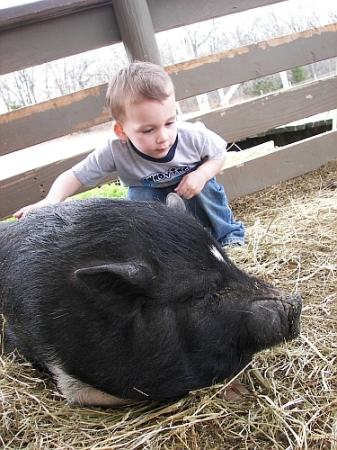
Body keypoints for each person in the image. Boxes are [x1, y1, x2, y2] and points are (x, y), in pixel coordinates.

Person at [14, 61, 245, 247]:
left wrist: (202, 175)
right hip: (153, 198)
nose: (163, 136)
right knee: (139, 199)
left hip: (189, 188)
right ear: (121, 130)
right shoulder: (115, 151)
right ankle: (165, 248)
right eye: (148, 130)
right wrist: (52, 199)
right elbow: (75, 175)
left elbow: (218, 154)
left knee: (206, 186)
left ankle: (227, 235)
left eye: (169, 122)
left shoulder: (192, 135)